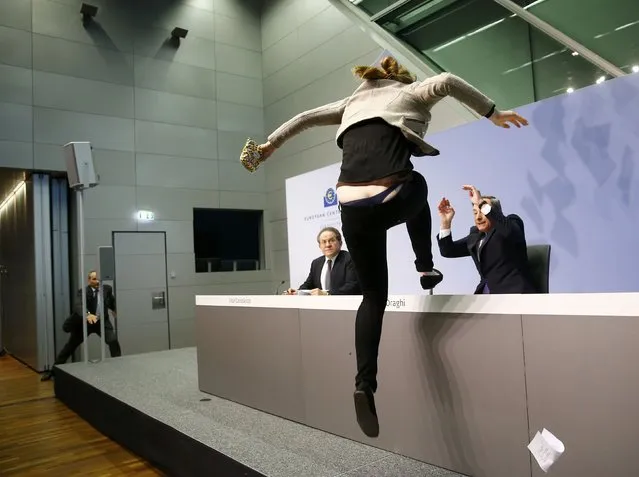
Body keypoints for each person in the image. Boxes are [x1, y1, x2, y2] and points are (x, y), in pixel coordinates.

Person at [250, 56, 529, 437]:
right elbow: (447, 79)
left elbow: (302, 118)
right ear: (399, 78)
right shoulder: (412, 91)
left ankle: (364, 382)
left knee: (373, 298)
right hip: (392, 193)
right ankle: (424, 264)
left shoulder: (350, 104)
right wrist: (492, 112)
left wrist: (268, 146)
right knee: (419, 185)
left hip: (350, 207)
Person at [437, 185, 535, 294]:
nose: (478, 217)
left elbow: (508, 231)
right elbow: (447, 250)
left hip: (514, 294)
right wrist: (446, 222)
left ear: (495, 212)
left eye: (482, 211)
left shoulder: (511, 223)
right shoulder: (475, 237)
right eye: (475, 212)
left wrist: (480, 202)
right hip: (485, 298)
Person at [41, 271, 121, 381]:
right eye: (94, 279)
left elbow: (111, 300)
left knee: (112, 340)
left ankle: (119, 367)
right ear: (89, 280)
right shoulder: (83, 292)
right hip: (85, 323)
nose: (97, 281)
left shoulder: (106, 289)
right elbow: (79, 306)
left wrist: (114, 309)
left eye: (98, 279)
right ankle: (53, 371)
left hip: (102, 322)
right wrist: (88, 315)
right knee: (70, 346)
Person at [284, 227, 360, 296]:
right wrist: (297, 292)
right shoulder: (316, 263)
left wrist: (327, 293)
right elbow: (309, 284)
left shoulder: (350, 258)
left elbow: (353, 286)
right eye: (324, 242)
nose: (327, 245)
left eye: (332, 240)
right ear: (320, 246)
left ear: (340, 243)